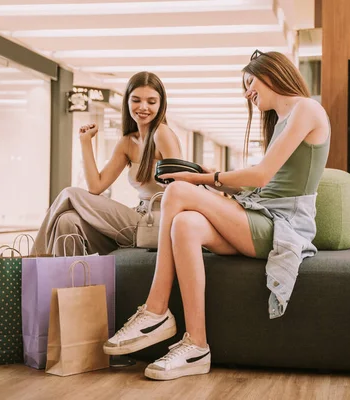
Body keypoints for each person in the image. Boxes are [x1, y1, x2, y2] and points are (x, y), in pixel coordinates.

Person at [103, 51, 331, 381]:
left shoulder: (306, 109)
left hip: (283, 226)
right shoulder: (283, 120)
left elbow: (262, 176)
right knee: (185, 224)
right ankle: (196, 346)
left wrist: (204, 179)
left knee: (178, 191)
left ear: (269, 74)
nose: (246, 93)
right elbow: (264, 186)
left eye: (249, 83)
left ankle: (155, 309)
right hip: (261, 215)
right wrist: (214, 176)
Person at [33, 71, 182, 256]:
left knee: (69, 193)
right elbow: (96, 187)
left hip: (156, 221)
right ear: (127, 101)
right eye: (136, 100)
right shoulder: (127, 142)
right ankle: (69, 282)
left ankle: (33, 260)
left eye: (151, 102)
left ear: (160, 105)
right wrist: (85, 142)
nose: (143, 107)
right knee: (67, 221)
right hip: (138, 216)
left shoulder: (162, 133)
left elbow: (181, 187)